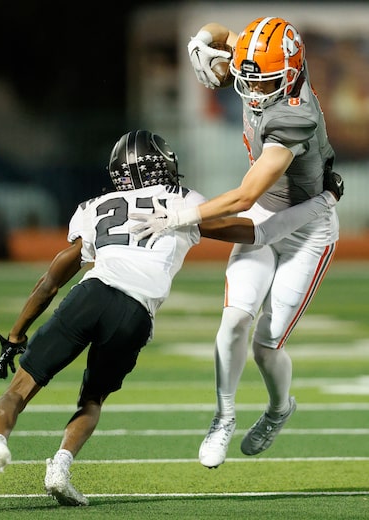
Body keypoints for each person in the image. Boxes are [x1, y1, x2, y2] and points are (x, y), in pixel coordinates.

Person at [0, 130, 340, 511]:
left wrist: (16, 333)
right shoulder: (185, 202)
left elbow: (52, 279)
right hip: (136, 313)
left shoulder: (95, 205)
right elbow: (262, 232)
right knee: (93, 399)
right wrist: (325, 200)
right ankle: (60, 466)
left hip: (90, 294)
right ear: (162, 164)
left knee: (19, 390)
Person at [130, 17, 343, 470]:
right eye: (248, 76)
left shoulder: (294, 116)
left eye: (262, 81)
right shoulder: (256, 54)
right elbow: (219, 32)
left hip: (306, 227)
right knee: (232, 322)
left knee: (266, 345)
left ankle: (279, 408)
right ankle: (223, 417)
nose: (251, 89)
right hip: (265, 214)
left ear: (290, 74)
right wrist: (199, 45)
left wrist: (182, 216)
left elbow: (245, 194)